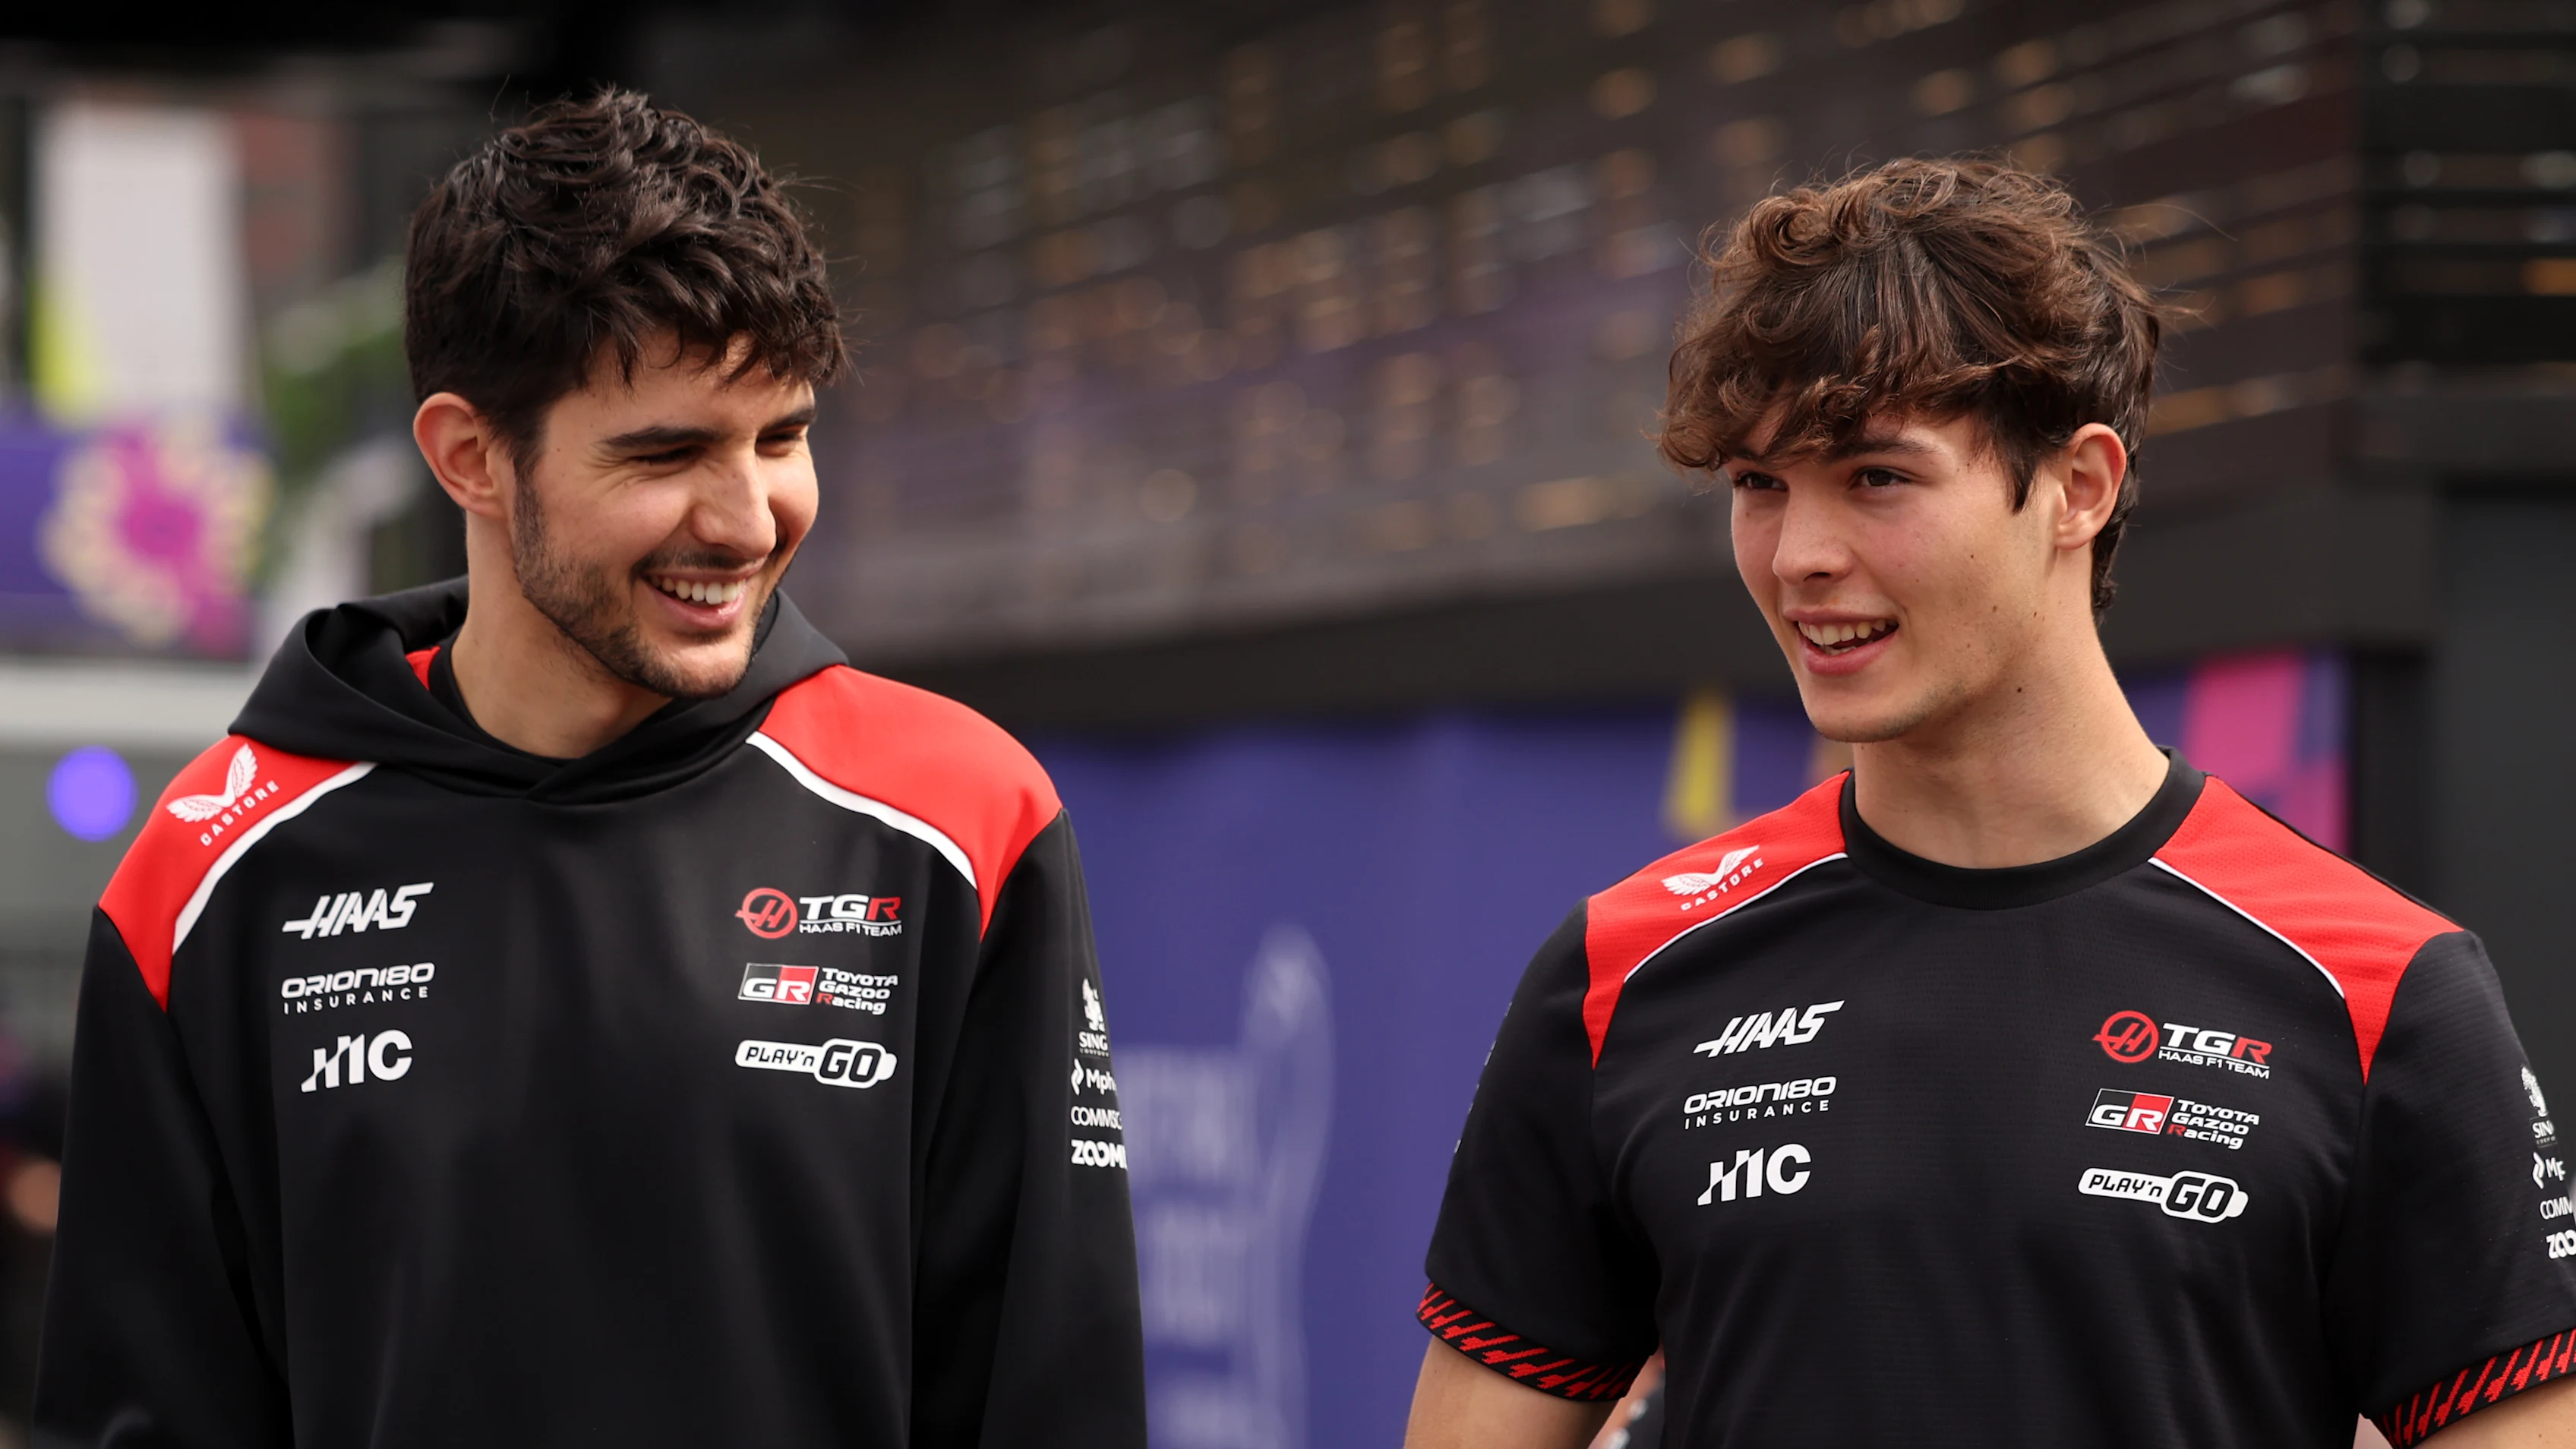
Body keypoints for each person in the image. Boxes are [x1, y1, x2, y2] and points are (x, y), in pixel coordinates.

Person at [1403, 158, 2576, 1449]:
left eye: (1876, 478)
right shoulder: (1625, 968)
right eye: (1758, 486)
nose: (1799, 557)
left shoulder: (2384, 993)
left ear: (2079, 487)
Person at [36, 90, 1144, 1447]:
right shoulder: (210, 870)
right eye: (667, 453)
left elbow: (1051, 1398)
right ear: (469, 457)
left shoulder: (959, 819)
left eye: (782, 437)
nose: (746, 520)